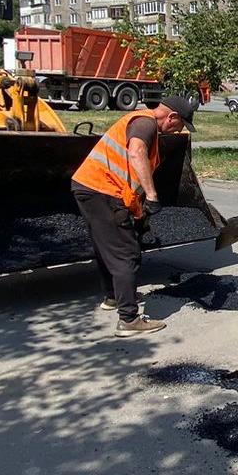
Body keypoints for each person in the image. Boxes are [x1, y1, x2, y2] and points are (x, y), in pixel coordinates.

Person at [71, 95, 199, 336]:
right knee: (126, 253)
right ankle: (128, 319)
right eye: (180, 125)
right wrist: (152, 195)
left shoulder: (142, 122)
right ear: (172, 117)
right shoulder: (145, 123)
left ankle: (113, 297)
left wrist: (138, 212)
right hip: (102, 190)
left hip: (90, 187)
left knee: (106, 246)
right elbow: (136, 153)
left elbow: (129, 177)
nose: (178, 131)